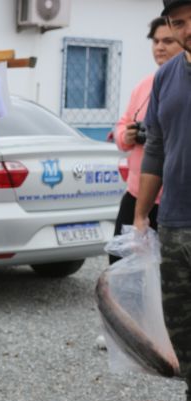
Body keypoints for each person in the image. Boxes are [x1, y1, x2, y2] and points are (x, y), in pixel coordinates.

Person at [133, 1, 191, 401]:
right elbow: (154, 146)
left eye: (189, 21)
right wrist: (141, 214)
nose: (184, 29)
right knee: (181, 322)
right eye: (177, 23)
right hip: (174, 221)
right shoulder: (166, 77)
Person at [109, 16, 182, 264]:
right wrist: (126, 135)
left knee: (164, 273)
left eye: (168, 41)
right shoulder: (145, 85)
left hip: (170, 199)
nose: (159, 47)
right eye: (156, 41)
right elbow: (121, 126)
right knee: (120, 264)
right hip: (136, 193)